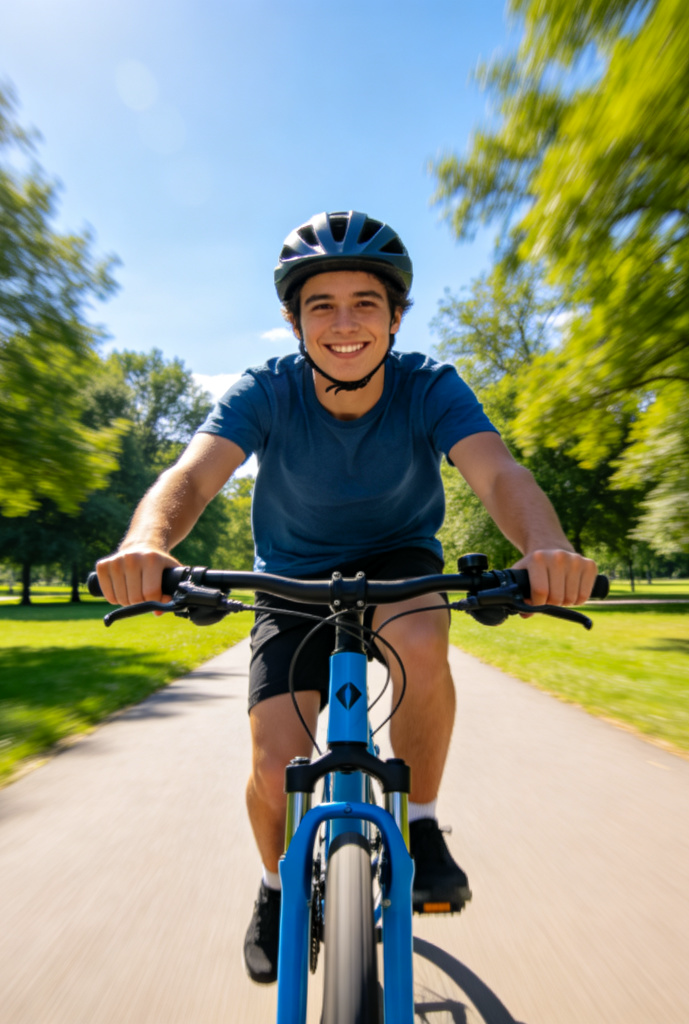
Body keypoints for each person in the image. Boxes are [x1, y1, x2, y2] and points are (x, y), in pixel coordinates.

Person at [96, 210, 598, 984]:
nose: (344, 324)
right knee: (274, 768)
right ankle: (273, 888)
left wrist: (545, 548)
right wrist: (146, 546)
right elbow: (192, 476)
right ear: (294, 322)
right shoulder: (266, 390)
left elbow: (498, 473)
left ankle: (422, 826)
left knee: (424, 641)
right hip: (289, 577)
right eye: (320, 305)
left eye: (365, 303)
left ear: (395, 317)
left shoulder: (430, 386)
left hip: (399, 562)